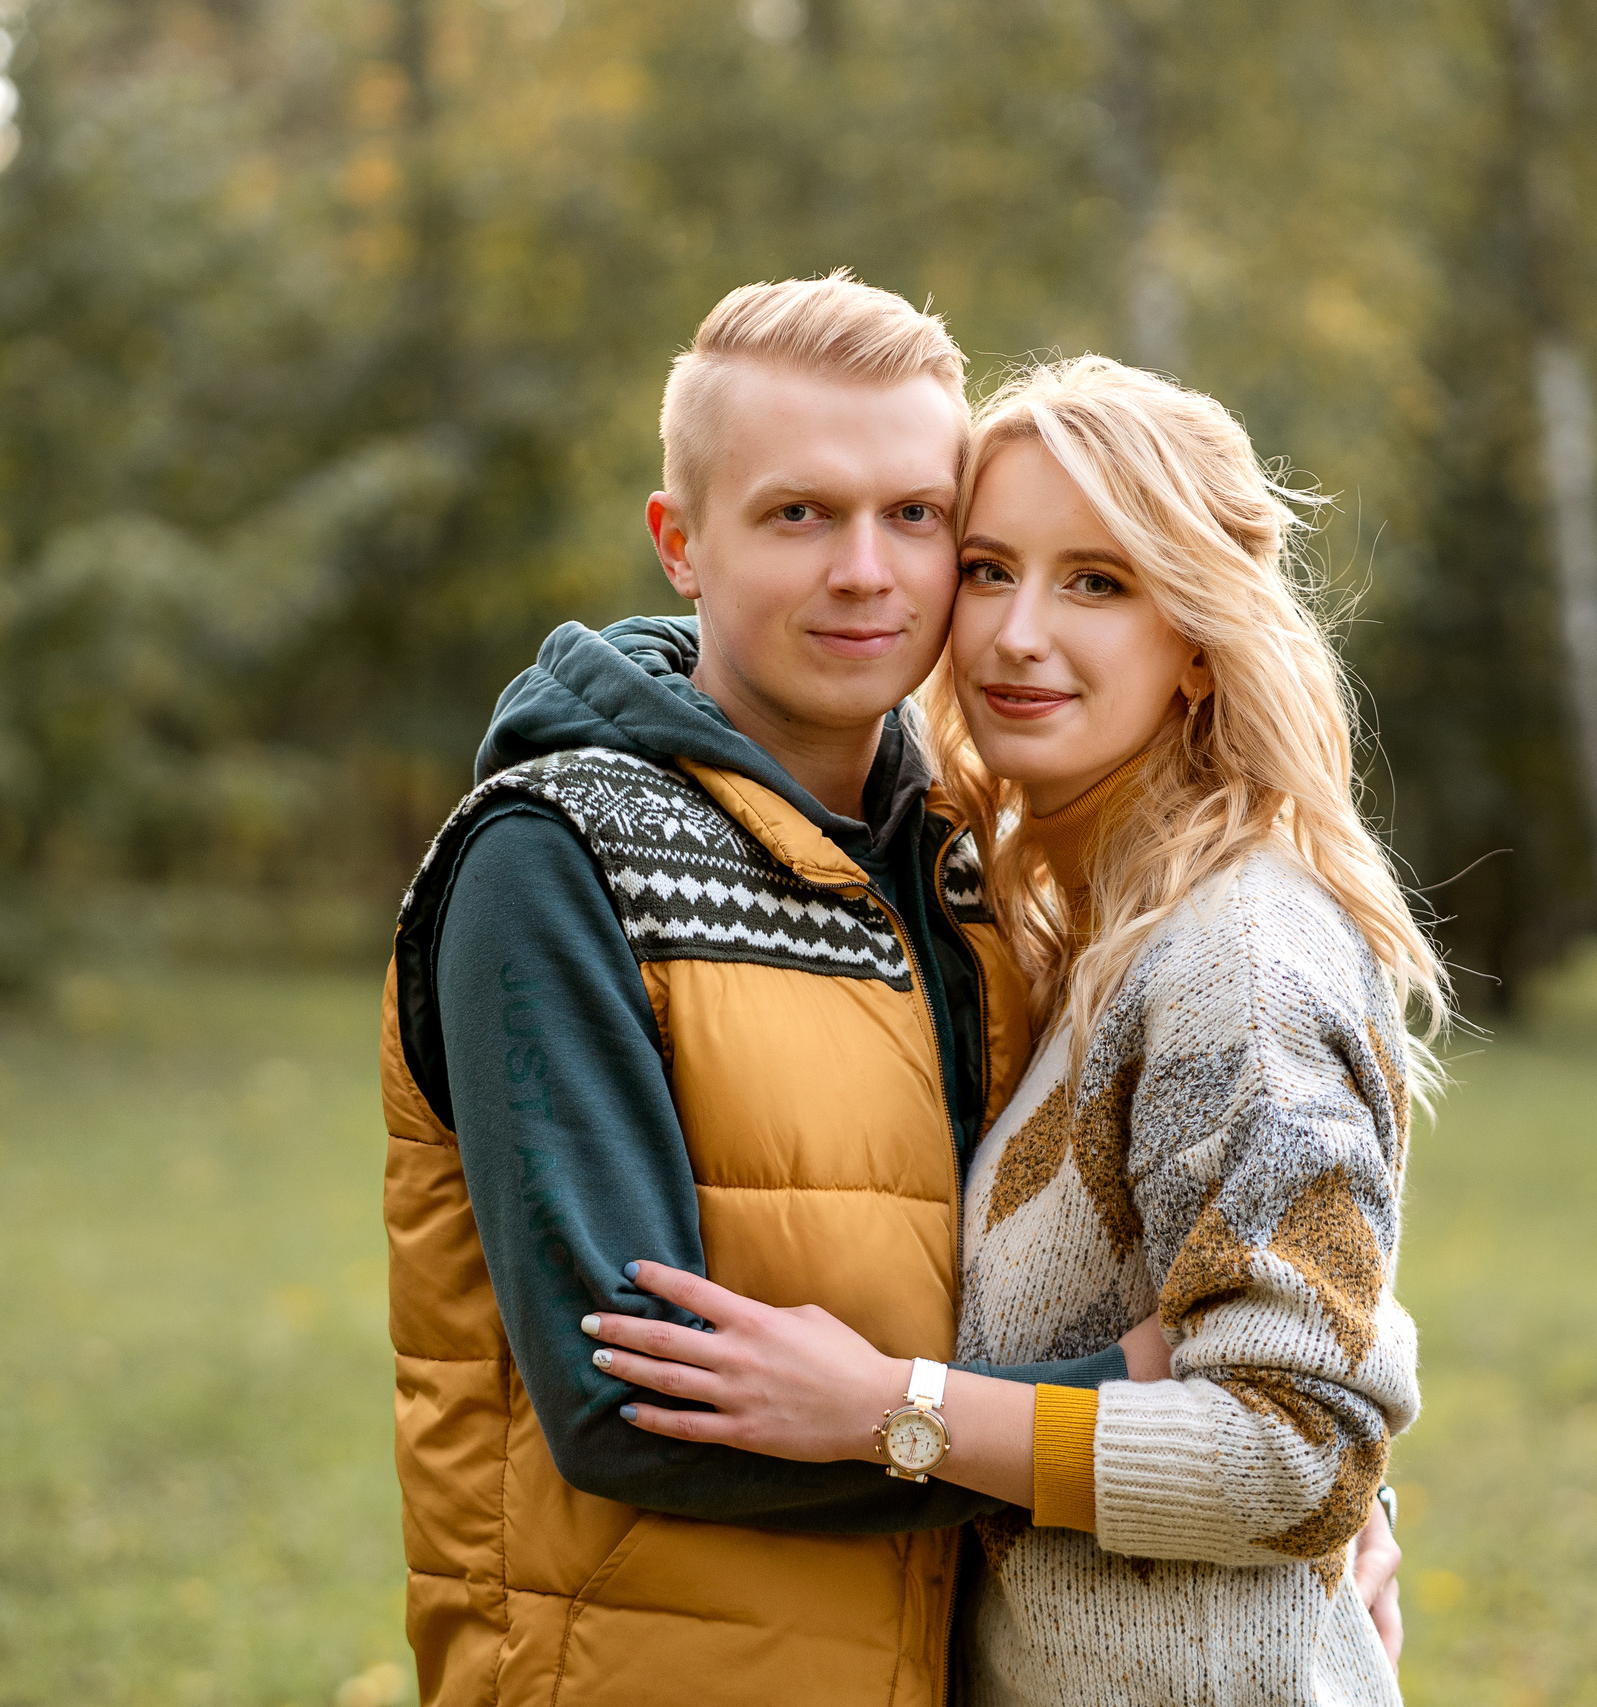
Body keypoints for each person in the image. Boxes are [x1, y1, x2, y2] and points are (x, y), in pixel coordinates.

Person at [582, 355, 1445, 1706]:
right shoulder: (1057, 930)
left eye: (1098, 582)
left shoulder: (1241, 960)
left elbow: (1300, 1453)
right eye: (989, 568)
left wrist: (887, 1411)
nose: (1015, 636)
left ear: (1202, 639)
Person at [380, 273, 1157, 1707]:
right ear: (682, 544)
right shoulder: (553, 859)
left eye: (915, 516)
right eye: (800, 513)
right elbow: (632, 1408)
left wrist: (1306, 1472)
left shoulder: (971, 863)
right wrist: (1143, 1444)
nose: (867, 571)